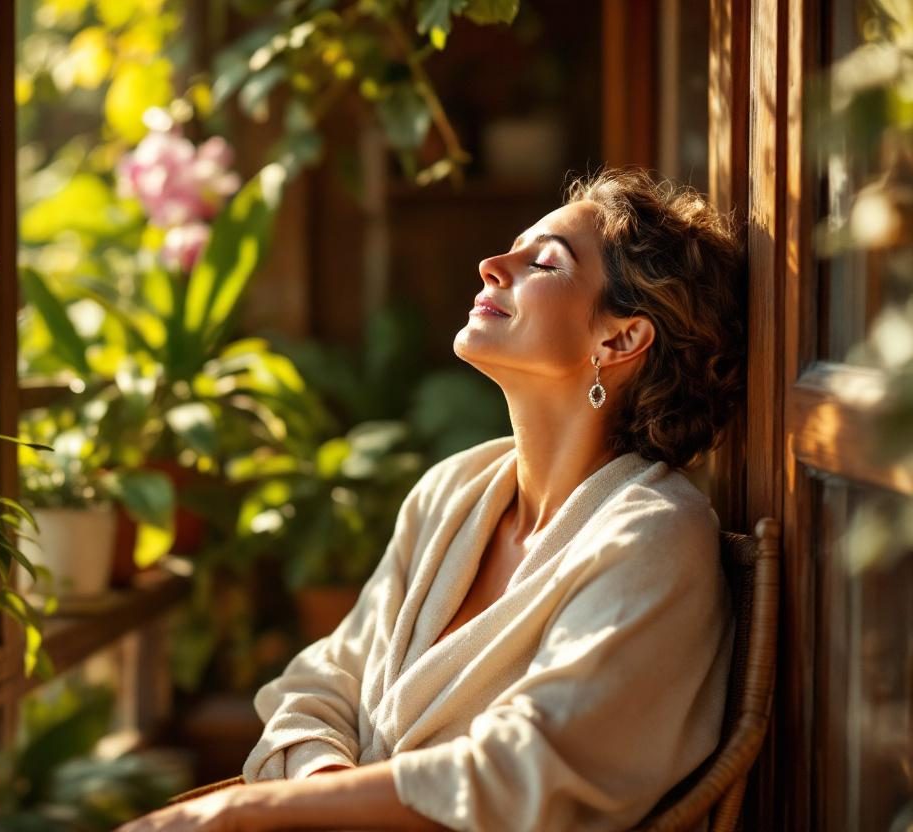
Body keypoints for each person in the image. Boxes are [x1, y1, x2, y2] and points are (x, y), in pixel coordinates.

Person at [119, 168, 745, 831]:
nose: (492, 265)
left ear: (619, 338)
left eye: (544, 263)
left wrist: (252, 809)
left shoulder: (653, 540)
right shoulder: (453, 494)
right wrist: (326, 797)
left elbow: (521, 775)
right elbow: (319, 685)